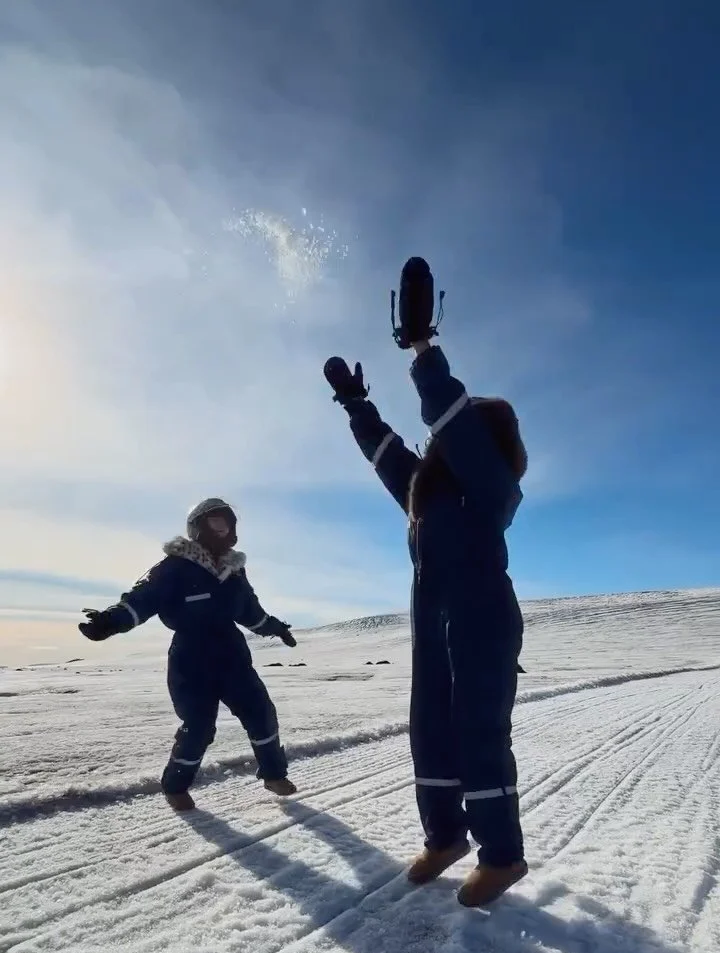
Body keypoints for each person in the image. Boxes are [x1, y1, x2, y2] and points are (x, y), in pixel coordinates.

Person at [324, 258, 527, 907]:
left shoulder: (492, 485)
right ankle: (445, 838)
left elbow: (452, 419)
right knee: (430, 727)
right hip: (433, 620)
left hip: (483, 619)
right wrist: (356, 406)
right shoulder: (427, 495)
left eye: (456, 435)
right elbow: (387, 453)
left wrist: (421, 347)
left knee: (477, 729)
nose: (439, 443)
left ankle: (502, 855)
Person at [78, 497, 297, 811]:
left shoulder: (234, 572)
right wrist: (110, 621)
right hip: (191, 658)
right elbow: (142, 599)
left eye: (228, 524)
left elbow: (250, 611)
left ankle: (274, 775)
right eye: (216, 523)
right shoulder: (174, 567)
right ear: (197, 528)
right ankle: (175, 786)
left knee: (261, 713)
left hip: (232, 655)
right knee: (199, 726)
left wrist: (276, 628)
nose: (224, 530)